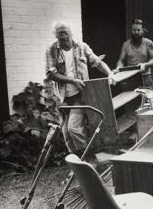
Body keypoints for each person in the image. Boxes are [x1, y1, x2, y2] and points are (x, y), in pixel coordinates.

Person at [45, 21, 114, 155]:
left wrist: (110, 73)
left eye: (65, 33)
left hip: (80, 95)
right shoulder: (52, 50)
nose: (63, 37)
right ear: (56, 36)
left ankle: (88, 159)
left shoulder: (82, 47)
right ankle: (77, 161)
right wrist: (72, 80)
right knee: (66, 132)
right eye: (59, 35)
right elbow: (50, 74)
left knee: (74, 129)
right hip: (62, 97)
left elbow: (98, 62)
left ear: (71, 33)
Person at [115, 19, 153, 87]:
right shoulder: (126, 44)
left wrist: (145, 65)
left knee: (146, 97)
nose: (136, 32)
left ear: (143, 30)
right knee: (130, 97)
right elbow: (121, 60)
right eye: (134, 30)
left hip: (145, 77)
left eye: (138, 30)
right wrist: (118, 68)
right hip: (130, 77)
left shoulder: (149, 43)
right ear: (131, 30)